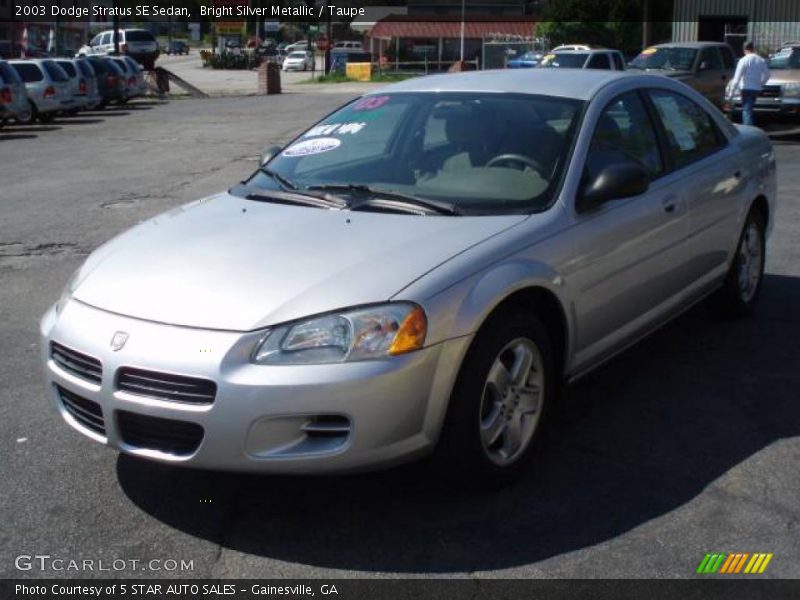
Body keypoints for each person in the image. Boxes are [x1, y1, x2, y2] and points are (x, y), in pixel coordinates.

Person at [730, 41, 770, 126]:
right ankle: (749, 125)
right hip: (756, 88)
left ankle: (748, 127)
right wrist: (761, 83)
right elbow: (767, 74)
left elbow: (737, 77)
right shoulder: (761, 60)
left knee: (746, 109)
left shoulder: (743, 60)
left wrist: (731, 92)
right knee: (750, 108)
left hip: (746, 87)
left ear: (744, 49)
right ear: (753, 48)